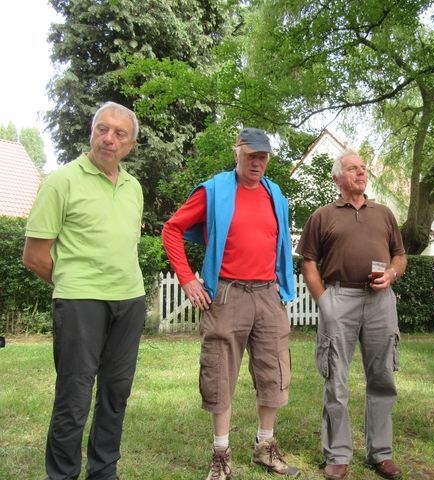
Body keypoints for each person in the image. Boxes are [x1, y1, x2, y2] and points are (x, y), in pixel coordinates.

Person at [161, 128, 298, 480]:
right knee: (219, 373)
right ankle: (221, 454)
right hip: (227, 294)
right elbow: (172, 229)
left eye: (263, 156)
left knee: (275, 372)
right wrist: (188, 279)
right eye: (251, 155)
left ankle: (265, 446)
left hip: (269, 295)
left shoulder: (275, 194)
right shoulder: (214, 190)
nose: (257, 162)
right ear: (236, 152)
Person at [23, 101, 145, 480]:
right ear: (91, 132)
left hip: (130, 300)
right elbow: (35, 256)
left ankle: (103, 471)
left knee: (115, 395)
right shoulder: (62, 181)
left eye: (119, 133)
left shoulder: (133, 187)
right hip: (80, 303)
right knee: (73, 399)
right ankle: (61, 475)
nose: (109, 139)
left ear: (131, 145)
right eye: (102, 129)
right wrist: (75, 286)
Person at [296, 150, 407, 480]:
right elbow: (309, 264)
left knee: (382, 377)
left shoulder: (384, 214)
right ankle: (338, 454)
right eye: (352, 169)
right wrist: (324, 301)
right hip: (339, 297)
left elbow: (399, 256)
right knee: (336, 379)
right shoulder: (322, 216)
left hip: (380, 301)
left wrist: (391, 274)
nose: (361, 173)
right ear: (337, 178)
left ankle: (381, 453)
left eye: (363, 168)